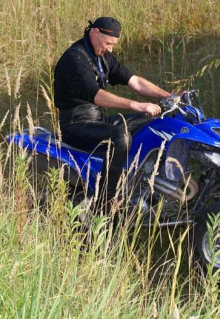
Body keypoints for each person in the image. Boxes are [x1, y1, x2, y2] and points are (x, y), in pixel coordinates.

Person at [53, 17, 173, 213]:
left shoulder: (102, 57)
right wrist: (136, 105)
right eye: (108, 43)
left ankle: (144, 183)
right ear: (94, 33)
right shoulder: (75, 58)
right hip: (75, 124)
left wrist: (170, 96)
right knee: (120, 136)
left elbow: (135, 81)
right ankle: (107, 201)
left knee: (154, 123)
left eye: (113, 45)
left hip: (98, 120)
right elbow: (96, 96)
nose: (110, 49)